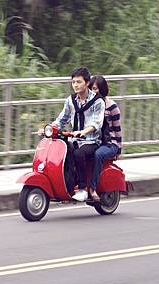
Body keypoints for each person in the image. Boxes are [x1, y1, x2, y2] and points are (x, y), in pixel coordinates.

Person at [51, 67, 105, 201]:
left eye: (79, 82)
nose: (75, 85)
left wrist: (84, 132)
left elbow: (96, 123)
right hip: (75, 139)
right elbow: (62, 118)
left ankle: (82, 189)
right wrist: (50, 128)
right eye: (73, 82)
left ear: (87, 83)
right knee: (61, 152)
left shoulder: (98, 101)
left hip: (92, 141)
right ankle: (67, 186)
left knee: (78, 154)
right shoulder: (71, 100)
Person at [88, 75, 122, 200]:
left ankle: (92, 188)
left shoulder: (111, 106)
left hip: (109, 143)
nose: (92, 92)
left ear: (102, 89)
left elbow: (117, 129)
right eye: (90, 88)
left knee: (98, 154)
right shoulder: (89, 105)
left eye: (95, 89)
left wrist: (118, 149)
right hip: (93, 141)